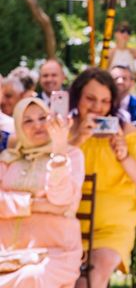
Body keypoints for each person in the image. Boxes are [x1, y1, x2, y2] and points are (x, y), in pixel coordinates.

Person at [68, 68, 136, 288]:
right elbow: (46, 175)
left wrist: (124, 157)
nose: (97, 107)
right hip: (66, 225)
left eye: (105, 101)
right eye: (90, 99)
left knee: (89, 281)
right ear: (77, 97)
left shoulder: (126, 132)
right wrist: (77, 140)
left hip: (112, 229)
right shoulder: (64, 129)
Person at [0, 97, 84, 287]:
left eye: (42, 118)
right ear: (18, 127)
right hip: (6, 251)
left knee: (32, 276)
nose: (37, 125)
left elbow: (62, 200)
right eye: (28, 120)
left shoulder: (71, 155)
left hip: (55, 251)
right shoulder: (8, 159)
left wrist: (59, 149)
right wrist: (33, 204)